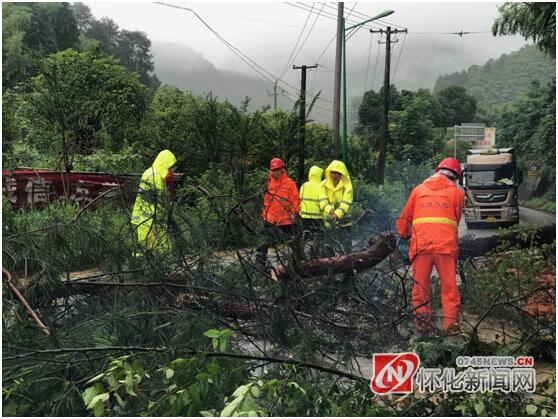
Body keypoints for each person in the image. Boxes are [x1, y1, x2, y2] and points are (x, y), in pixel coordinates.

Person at [396, 157, 465, 336]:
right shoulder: (457, 193)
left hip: (421, 246)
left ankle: (423, 327)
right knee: (450, 289)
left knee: (420, 289)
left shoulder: (418, 190)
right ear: (456, 176)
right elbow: (455, 221)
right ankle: (451, 328)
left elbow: (404, 220)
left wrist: (404, 234)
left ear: (436, 171)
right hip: (446, 247)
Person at [257, 157, 300, 272]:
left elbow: (295, 200)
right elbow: (265, 200)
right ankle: (263, 268)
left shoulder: (289, 183)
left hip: (286, 220)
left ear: (282, 169)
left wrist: (293, 213)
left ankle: (299, 266)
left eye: (277, 169)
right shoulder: (268, 183)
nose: (275, 172)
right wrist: (266, 214)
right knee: (262, 245)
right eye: (273, 170)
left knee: (295, 245)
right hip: (271, 219)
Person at [131, 149, 177, 255]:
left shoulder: (150, 172)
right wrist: (165, 214)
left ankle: (146, 268)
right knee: (153, 250)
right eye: (169, 167)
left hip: (147, 218)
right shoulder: (156, 177)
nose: (171, 170)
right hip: (151, 219)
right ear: (164, 164)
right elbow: (158, 201)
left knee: (148, 248)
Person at [319, 160, 353, 256]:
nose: (334, 175)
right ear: (329, 172)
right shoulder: (323, 185)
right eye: (333, 172)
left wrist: (337, 214)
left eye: (337, 173)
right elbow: (322, 201)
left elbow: (346, 202)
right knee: (329, 245)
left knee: (345, 246)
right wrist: (330, 211)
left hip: (344, 221)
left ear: (342, 174)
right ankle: (331, 266)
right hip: (329, 221)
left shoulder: (348, 186)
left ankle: (347, 266)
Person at [299, 165, 324, 257]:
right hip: (318, 217)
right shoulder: (322, 186)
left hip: (305, 217)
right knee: (318, 238)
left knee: (306, 236)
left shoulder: (304, 186)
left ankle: (303, 256)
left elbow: (300, 200)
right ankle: (316, 256)